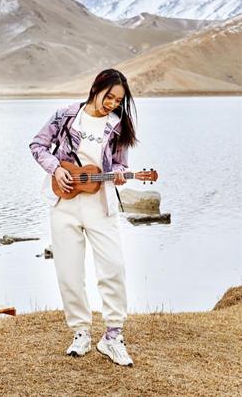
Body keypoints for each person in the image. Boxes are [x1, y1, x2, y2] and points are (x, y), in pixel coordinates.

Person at [29, 68, 138, 366]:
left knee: (113, 267)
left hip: (100, 205)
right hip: (64, 202)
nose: (112, 104)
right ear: (96, 88)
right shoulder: (66, 115)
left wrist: (120, 174)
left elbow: (120, 164)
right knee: (69, 271)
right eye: (109, 97)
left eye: (118, 100)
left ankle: (113, 336)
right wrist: (56, 169)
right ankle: (80, 332)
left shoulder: (118, 126)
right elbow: (37, 145)